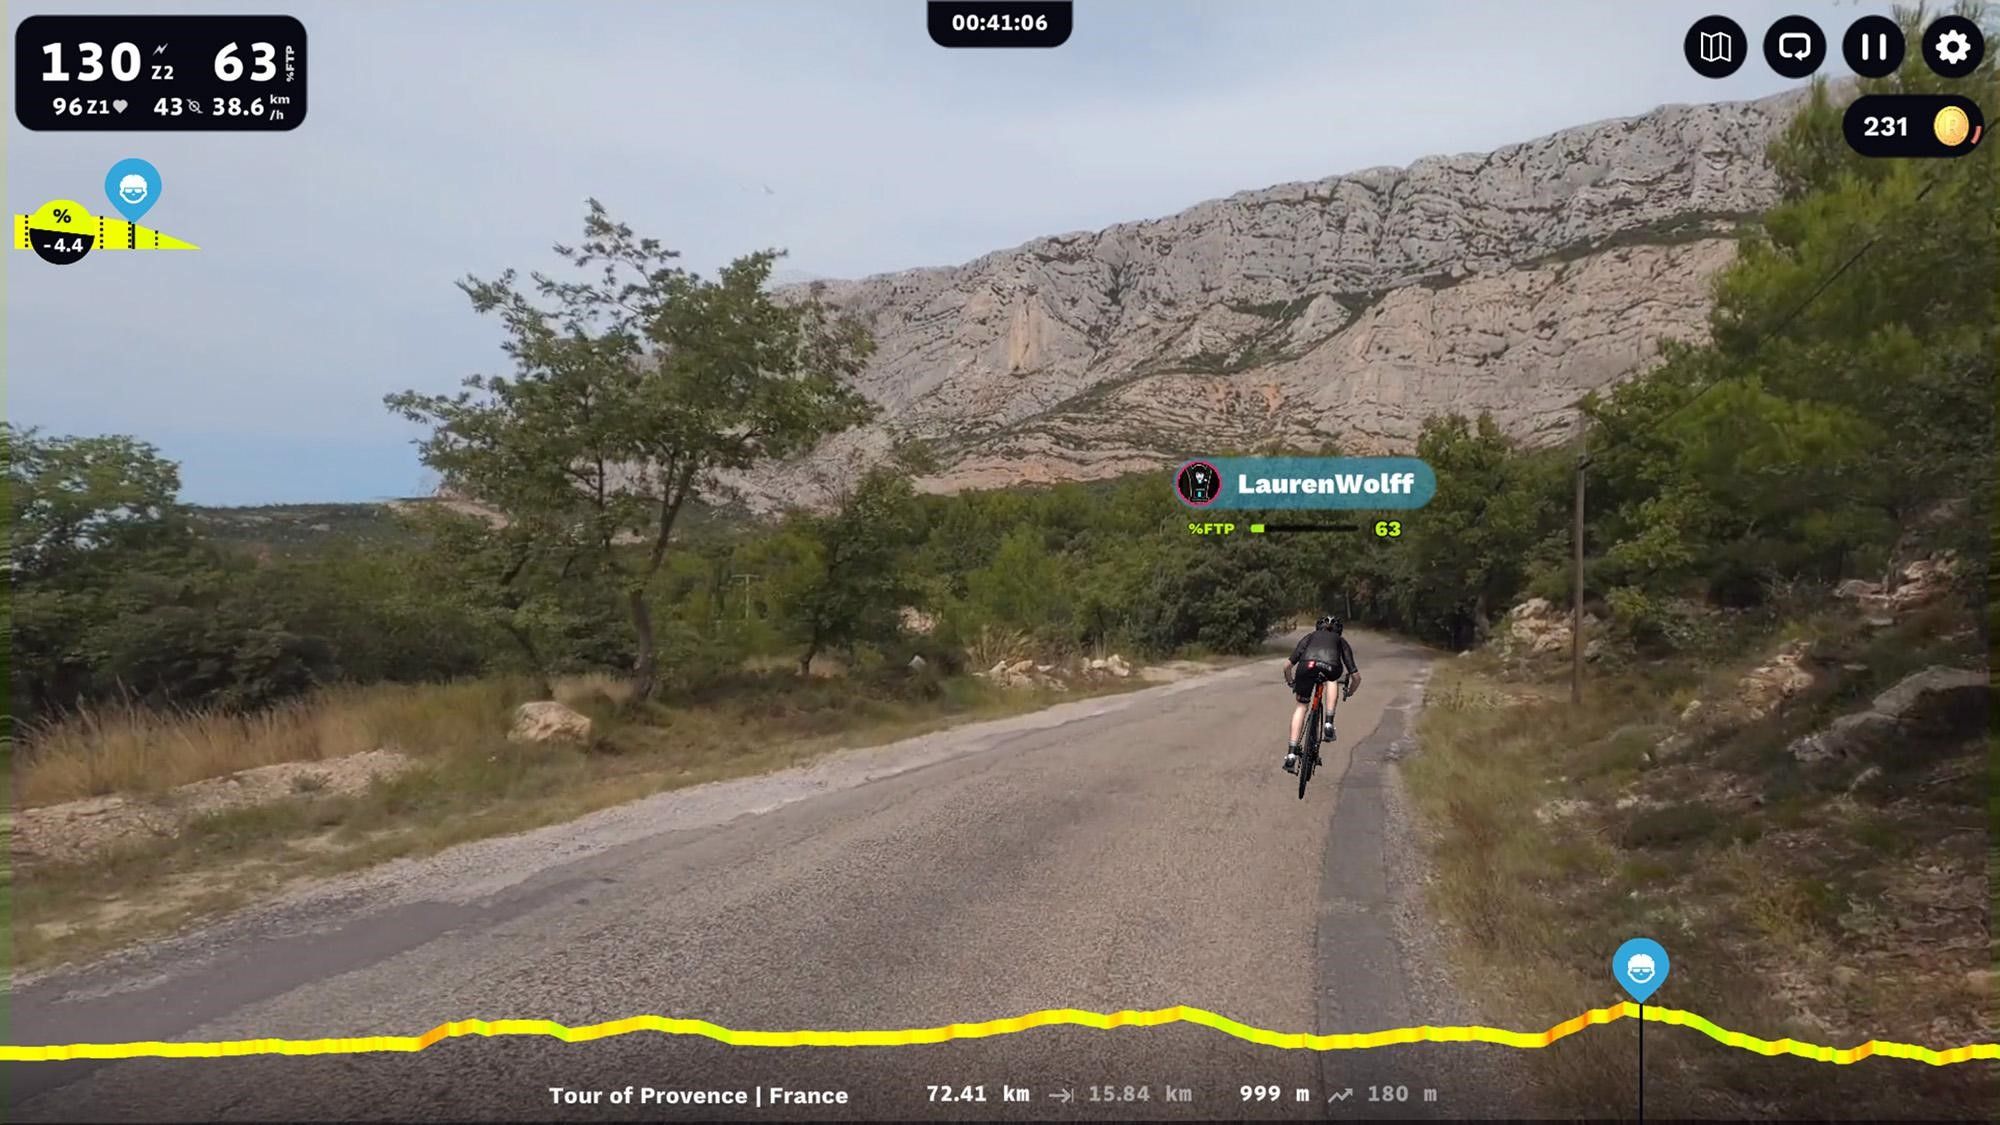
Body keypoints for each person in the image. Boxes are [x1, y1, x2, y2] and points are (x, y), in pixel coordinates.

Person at [1282, 614, 1359, 774]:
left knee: (1302, 706)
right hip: (1331, 667)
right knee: (1331, 680)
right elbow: (1356, 677)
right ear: (1339, 631)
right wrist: (1350, 692)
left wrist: (1291, 682)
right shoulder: (1340, 641)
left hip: (1306, 666)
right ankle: (1329, 723)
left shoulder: (1309, 637)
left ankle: (1291, 755)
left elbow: (1287, 666)